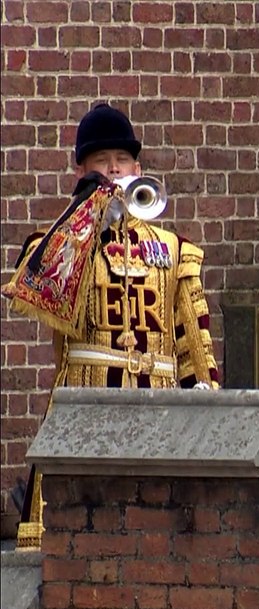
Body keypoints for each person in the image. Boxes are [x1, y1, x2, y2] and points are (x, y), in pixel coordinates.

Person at [2, 102, 220, 549]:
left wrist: (205, 410)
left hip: (159, 410)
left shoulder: (174, 249)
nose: (114, 169)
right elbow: (37, 288)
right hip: (87, 405)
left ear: (138, 169)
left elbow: (194, 342)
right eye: (101, 161)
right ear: (81, 172)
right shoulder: (60, 243)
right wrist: (88, 221)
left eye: (122, 160)